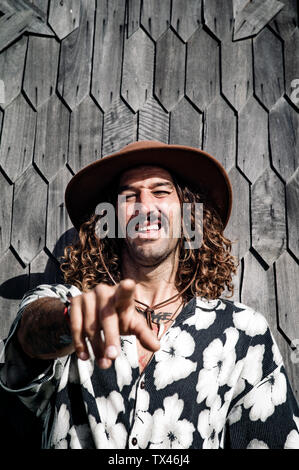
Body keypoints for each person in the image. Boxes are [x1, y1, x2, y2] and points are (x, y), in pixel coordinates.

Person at [0, 140, 298, 449]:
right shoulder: (67, 301)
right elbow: (28, 340)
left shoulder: (242, 331)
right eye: (129, 195)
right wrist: (69, 320)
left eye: (160, 191)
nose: (144, 204)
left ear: (188, 215)